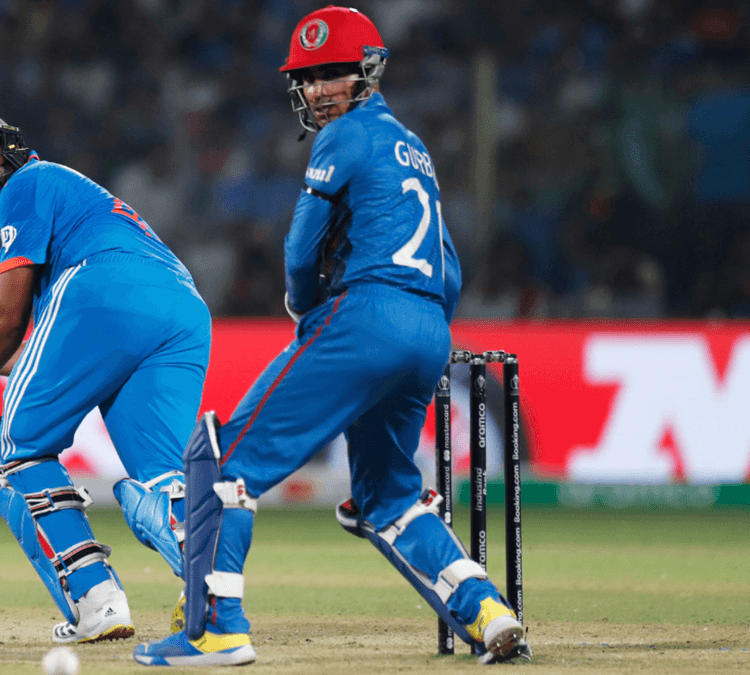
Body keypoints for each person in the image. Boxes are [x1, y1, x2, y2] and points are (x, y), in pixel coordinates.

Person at [133, 6, 530, 667]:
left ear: (368, 73)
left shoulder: (343, 135)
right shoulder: (414, 147)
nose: (318, 90)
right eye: (308, 78)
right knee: (388, 498)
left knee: (225, 462)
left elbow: (300, 247)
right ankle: (488, 611)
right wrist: (422, 331)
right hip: (428, 327)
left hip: (363, 319)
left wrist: (303, 306)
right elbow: (449, 267)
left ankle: (217, 629)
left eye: (333, 74)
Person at [0, 107, 210, 645]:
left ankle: (96, 600)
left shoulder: (28, 183)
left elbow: (9, 314)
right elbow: (58, 355)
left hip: (103, 290)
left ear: (8, 146)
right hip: (181, 310)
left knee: (20, 445)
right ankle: (210, 585)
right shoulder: (69, 204)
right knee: (161, 478)